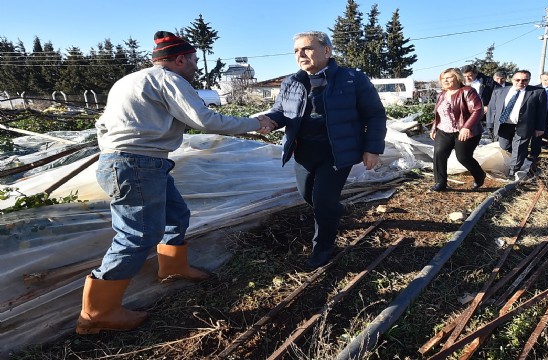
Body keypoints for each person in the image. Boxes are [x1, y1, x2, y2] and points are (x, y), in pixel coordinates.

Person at [76, 31, 277, 335]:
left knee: (176, 214)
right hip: (136, 163)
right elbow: (205, 120)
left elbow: (104, 124)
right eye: (194, 61)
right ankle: (97, 313)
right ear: (179, 59)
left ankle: (172, 267)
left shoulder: (130, 81)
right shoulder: (169, 79)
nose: (196, 67)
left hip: (134, 161)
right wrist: (255, 123)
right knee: (137, 235)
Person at [264, 31, 387, 269]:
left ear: (327, 51)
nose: (301, 54)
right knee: (307, 195)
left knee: (322, 201)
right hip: (303, 150)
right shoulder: (292, 82)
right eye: (297, 51)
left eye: (307, 48)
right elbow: (280, 112)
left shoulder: (352, 79)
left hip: (337, 150)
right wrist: (268, 120)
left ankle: (322, 247)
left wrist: (372, 148)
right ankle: (332, 210)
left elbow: (374, 114)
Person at [430, 68, 486, 192]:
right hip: (444, 130)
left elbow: (478, 110)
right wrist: (434, 127)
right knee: (439, 154)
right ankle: (440, 182)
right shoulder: (441, 95)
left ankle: (479, 175)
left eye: (449, 77)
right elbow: (439, 114)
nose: (446, 80)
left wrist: (466, 127)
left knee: (463, 157)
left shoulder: (467, 91)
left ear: (457, 78)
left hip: (465, 131)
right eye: (443, 78)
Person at [488, 70, 546, 180]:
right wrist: (490, 124)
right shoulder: (499, 91)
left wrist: (540, 128)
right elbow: (492, 108)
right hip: (504, 125)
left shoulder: (538, 92)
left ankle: (513, 170)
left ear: (529, 80)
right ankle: (519, 158)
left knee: (519, 148)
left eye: (525, 80)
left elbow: (541, 111)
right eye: (517, 80)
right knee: (504, 146)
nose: (521, 82)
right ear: (511, 79)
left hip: (524, 125)